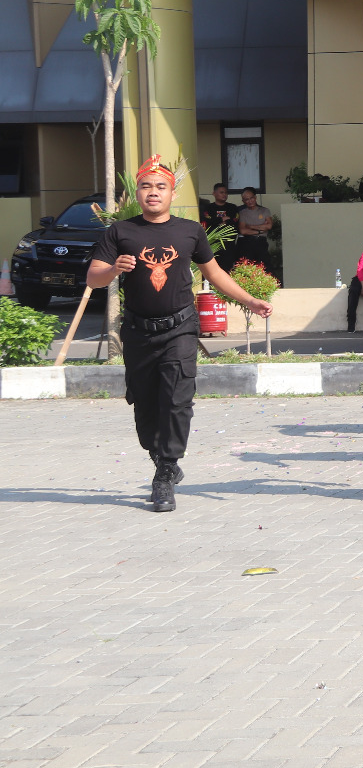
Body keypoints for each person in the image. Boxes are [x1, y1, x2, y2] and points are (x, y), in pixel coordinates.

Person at [86, 156, 272, 512]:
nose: (153, 192)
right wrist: (113, 268)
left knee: (177, 398)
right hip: (139, 332)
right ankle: (160, 457)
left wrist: (250, 300)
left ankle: (166, 472)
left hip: (181, 328)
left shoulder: (190, 231)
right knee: (145, 407)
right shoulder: (119, 233)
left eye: (160, 187)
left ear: (172, 193)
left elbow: (214, 274)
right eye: (146, 186)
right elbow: (94, 278)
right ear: (137, 192)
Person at [200, 183, 239, 269]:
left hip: (229, 244)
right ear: (214, 193)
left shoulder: (232, 207)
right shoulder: (208, 208)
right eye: (221, 192)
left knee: (228, 268)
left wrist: (217, 221)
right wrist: (222, 219)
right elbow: (208, 221)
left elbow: (235, 221)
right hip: (213, 244)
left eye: (226, 192)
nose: (224, 195)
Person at [234, 188, 273, 267]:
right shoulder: (242, 213)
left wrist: (250, 226)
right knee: (247, 267)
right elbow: (243, 230)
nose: (250, 201)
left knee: (264, 267)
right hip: (247, 242)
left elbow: (269, 225)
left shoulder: (264, 211)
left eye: (251, 198)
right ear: (243, 201)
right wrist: (259, 231)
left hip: (261, 242)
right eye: (246, 199)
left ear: (255, 197)